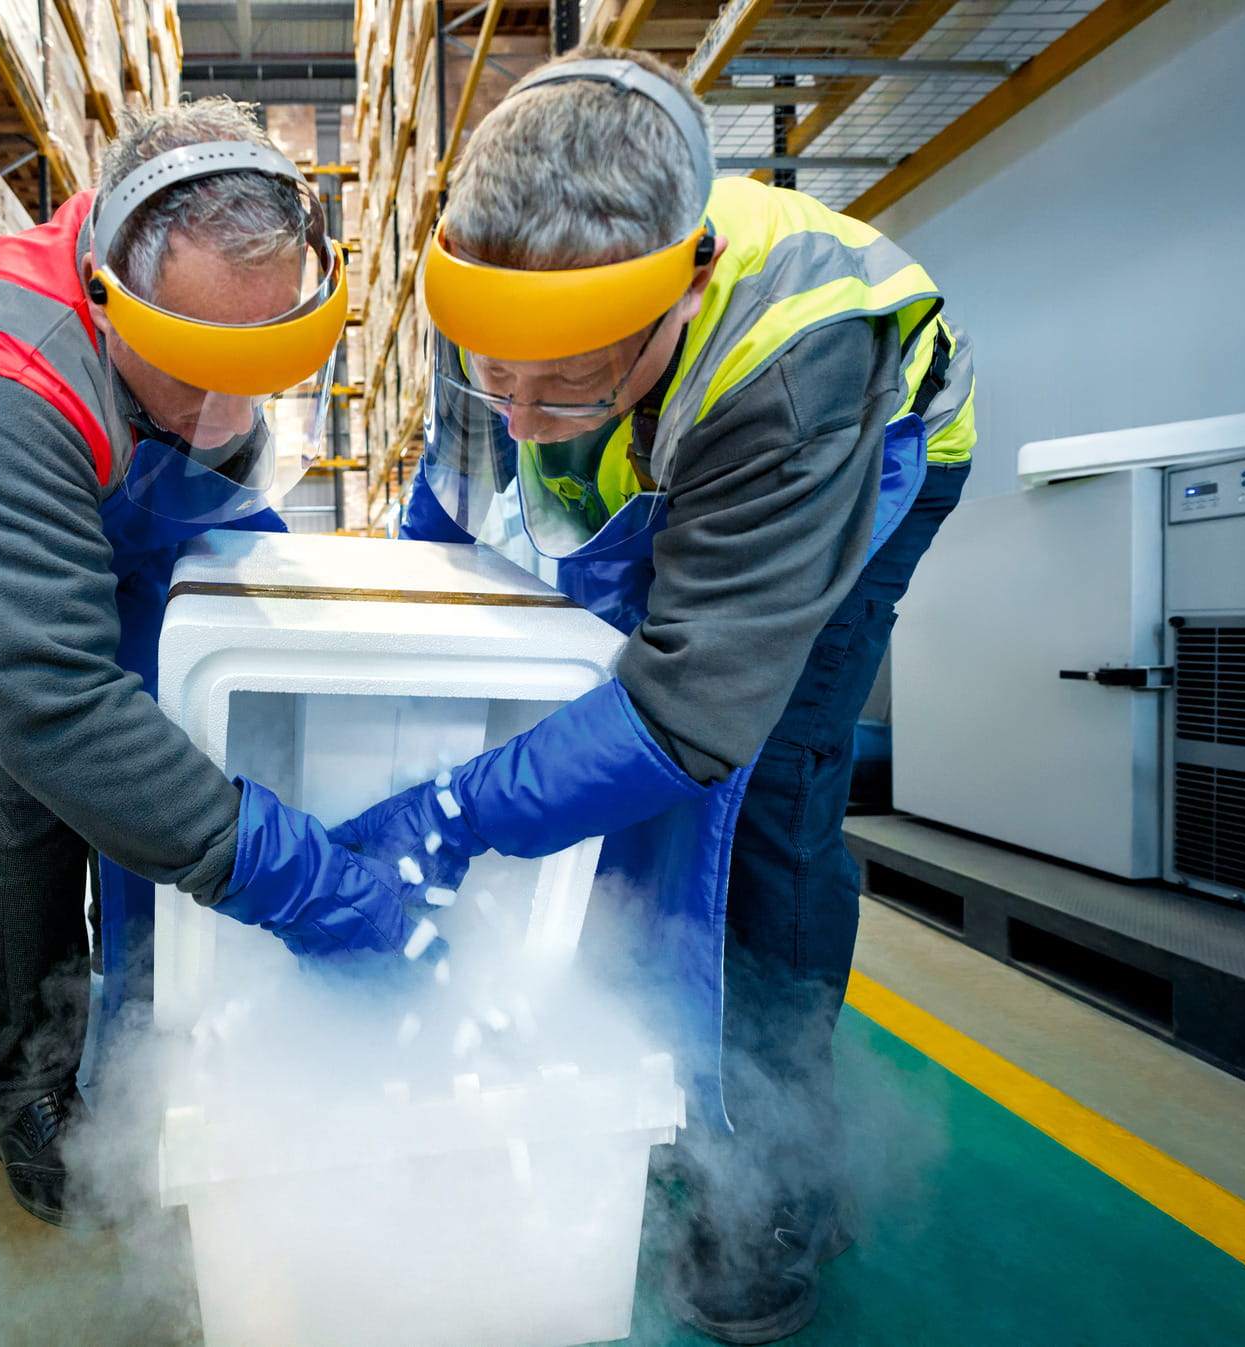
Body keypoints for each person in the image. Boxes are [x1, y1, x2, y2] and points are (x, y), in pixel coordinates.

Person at [329, 47, 976, 1344]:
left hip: (870, 456)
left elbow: (690, 712)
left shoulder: (795, 368)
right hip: (678, 447)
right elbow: (446, 521)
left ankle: (776, 1191)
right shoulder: (502, 286)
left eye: (563, 383)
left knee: (764, 801)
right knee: (609, 785)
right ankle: (643, 1083)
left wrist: (452, 812)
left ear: (681, 289)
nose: (519, 416)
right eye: (496, 374)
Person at [0, 101, 430, 1228]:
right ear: (108, 299)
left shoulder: (205, 343)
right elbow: (54, 704)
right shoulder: (0, 377)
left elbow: (213, 519)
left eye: (256, 366)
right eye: (193, 371)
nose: (226, 413)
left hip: (107, 484)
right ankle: (31, 1080)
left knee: (176, 733)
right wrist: (297, 881)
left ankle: (154, 1012)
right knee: (47, 781)